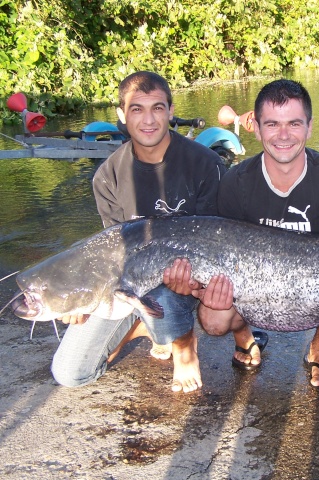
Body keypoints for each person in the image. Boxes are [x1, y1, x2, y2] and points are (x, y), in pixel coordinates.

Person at [164, 79, 319, 390]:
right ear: (257, 129)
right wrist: (200, 289)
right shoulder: (235, 182)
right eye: (272, 124)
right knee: (212, 319)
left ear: (309, 127)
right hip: (252, 281)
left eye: (294, 123)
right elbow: (220, 257)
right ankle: (244, 335)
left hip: (314, 278)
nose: (283, 135)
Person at [50, 71, 227, 394]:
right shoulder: (107, 177)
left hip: (191, 277)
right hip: (131, 282)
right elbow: (112, 256)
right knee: (70, 373)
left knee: (165, 298)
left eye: (157, 108)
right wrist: (78, 296)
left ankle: (184, 348)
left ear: (171, 111)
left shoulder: (206, 163)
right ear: (120, 115)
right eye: (136, 109)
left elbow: (218, 244)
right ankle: (147, 327)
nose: (148, 120)